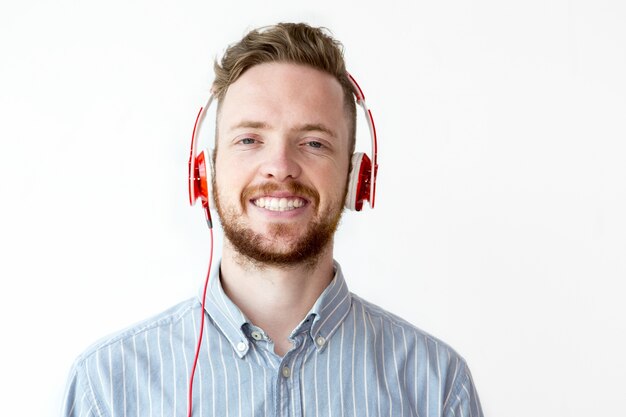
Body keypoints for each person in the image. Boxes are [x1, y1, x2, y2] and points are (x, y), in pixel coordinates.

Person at [62, 22, 483, 417]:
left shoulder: (436, 385)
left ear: (357, 179)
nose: (280, 166)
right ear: (204, 174)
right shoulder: (108, 387)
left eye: (314, 142)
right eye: (249, 139)